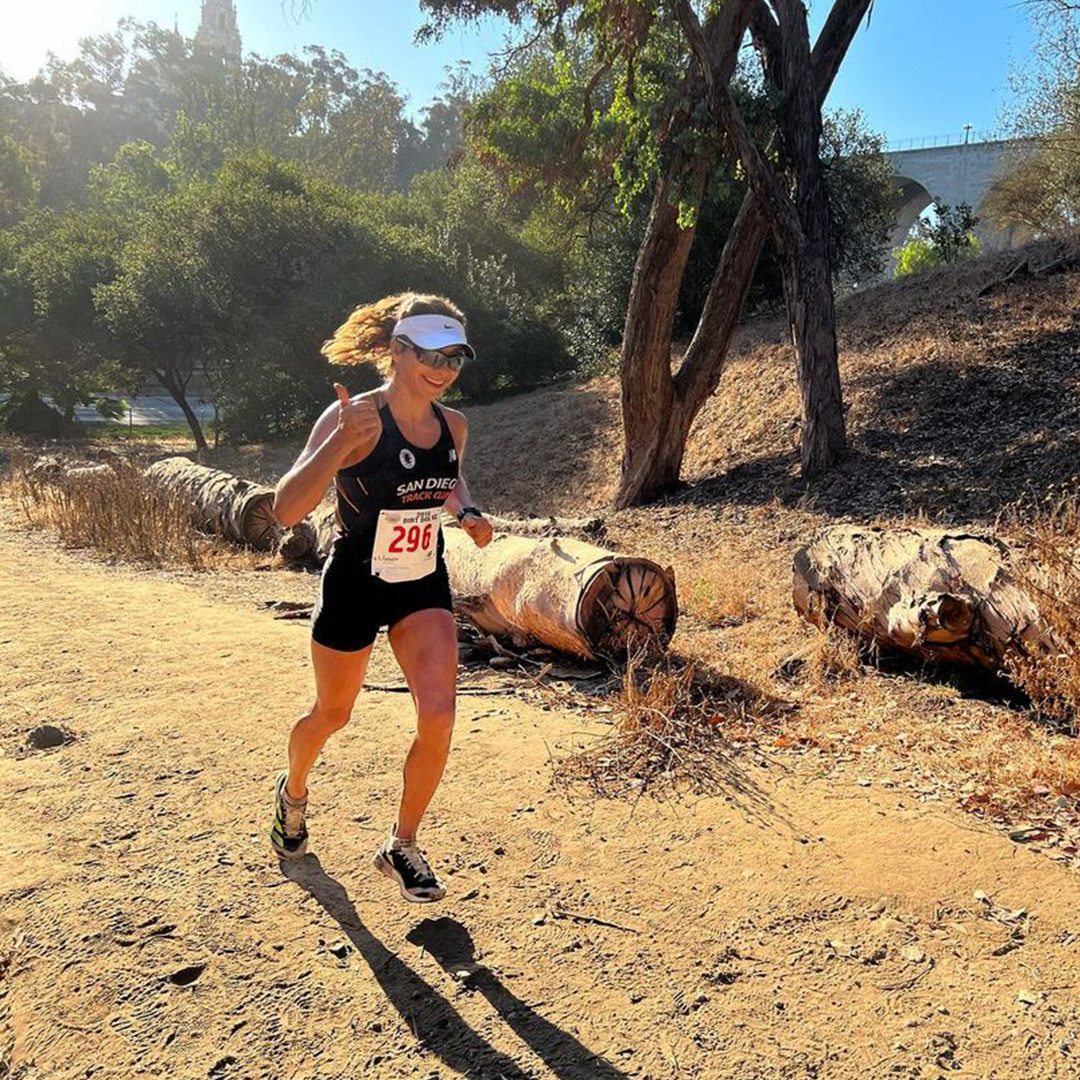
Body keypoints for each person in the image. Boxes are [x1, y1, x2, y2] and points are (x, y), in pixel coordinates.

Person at [269, 292, 493, 902]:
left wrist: (465, 509)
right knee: (331, 715)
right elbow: (286, 509)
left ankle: (402, 845)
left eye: (455, 357)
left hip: (421, 583)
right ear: (397, 352)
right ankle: (292, 794)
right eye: (430, 355)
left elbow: (445, 477)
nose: (444, 369)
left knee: (440, 715)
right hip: (355, 585)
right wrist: (337, 447)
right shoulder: (355, 416)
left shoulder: (456, 425)